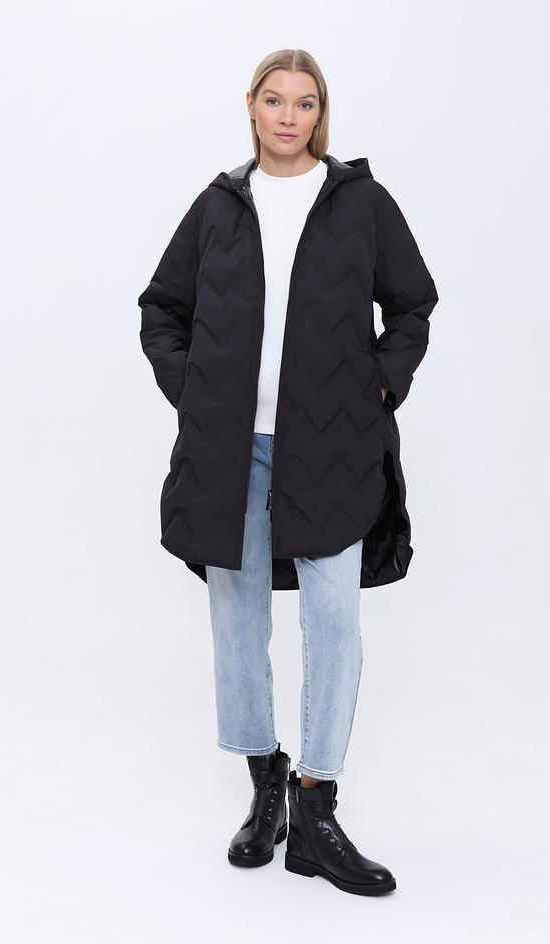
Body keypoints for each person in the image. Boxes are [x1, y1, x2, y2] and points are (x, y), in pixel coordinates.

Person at [137, 48, 439, 897]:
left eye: (304, 103)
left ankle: (315, 806)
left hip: (331, 446)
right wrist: (196, 393)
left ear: (320, 113)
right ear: (251, 105)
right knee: (237, 623)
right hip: (232, 450)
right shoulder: (219, 205)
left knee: (334, 622)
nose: (288, 116)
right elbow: (162, 309)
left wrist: (379, 386)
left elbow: (412, 305)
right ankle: (265, 781)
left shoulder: (360, 203)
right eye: (275, 100)